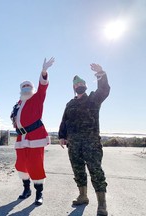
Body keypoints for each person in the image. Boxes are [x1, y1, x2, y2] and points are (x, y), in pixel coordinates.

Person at [58, 64, 110, 216]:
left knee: (96, 171)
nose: (79, 86)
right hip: (74, 145)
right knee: (78, 170)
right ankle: (83, 196)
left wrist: (101, 73)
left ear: (86, 86)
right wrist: (62, 136)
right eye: (77, 85)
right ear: (74, 88)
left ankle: (102, 204)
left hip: (91, 144)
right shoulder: (70, 104)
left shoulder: (93, 99)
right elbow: (64, 120)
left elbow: (104, 90)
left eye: (81, 84)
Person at [10, 57, 55, 206]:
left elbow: (43, 87)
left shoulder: (37, 98)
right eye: (24, 86)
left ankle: (39, 193)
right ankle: (26, 190)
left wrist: (43, 71)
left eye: (29, 86)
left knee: (35, 165)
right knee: (21, 165)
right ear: (21, 89)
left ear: (32, 88)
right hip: (21, 138)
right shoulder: (18, 103)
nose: (27, 88)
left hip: (35, 137)